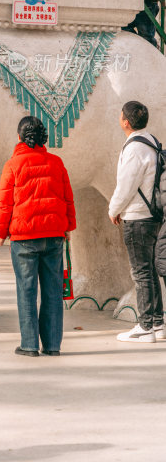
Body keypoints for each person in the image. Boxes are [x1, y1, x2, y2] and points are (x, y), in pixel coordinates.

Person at [0, 116, 76, 357]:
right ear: (43, 139)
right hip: (54, 236)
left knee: (26, 291)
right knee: (52, 292)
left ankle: (29, 345)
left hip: (24, 238)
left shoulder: (12, 165)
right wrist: (68, 226)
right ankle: (52, 346)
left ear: (19, 138)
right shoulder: (56, 162)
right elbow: (67, 197)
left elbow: (5, 203)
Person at [108, 101, 165, 343]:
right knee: (149, 271)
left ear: (125, 122)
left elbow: (126, 185)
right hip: (153, 214)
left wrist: (114, 209)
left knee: (141, 273)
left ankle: (144, 327)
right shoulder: (151, 141)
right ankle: (158, 323)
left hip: (137, 217)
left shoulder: (133, 149)